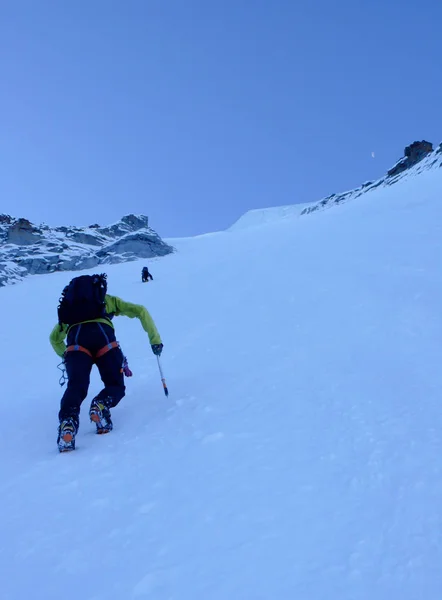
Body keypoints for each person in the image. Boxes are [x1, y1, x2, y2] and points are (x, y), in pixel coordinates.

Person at [50, 273, 163, 452]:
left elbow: (54, 339)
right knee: (115, 385)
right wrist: (155, 340)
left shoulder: (70, 311)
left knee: (76, 387)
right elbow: (140, 310)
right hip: (105, 341)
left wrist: (67, 357)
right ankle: (101, 405)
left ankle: (68, 423)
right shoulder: (105, 300)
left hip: (76, 345)